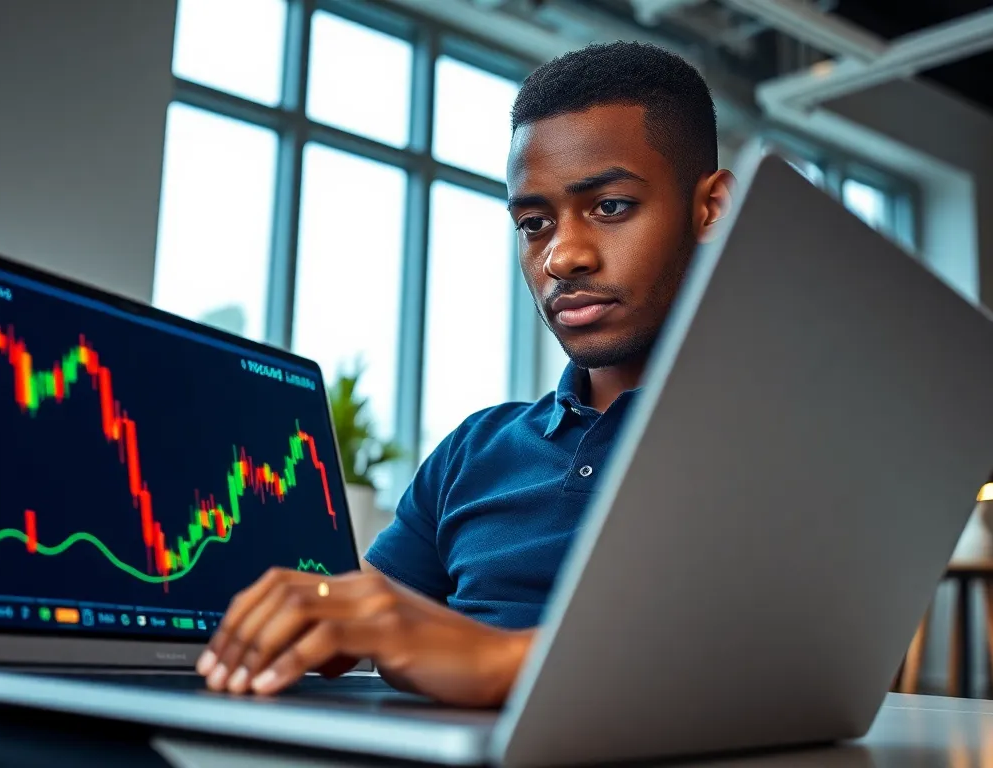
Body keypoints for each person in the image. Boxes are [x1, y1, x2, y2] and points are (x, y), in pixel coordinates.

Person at [195, 41, 736, 706]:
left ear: (710, 208)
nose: (562, 256)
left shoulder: (775, 438)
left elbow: (763, 662)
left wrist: (497, 660)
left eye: (611, 207)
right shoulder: (473, 450)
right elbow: (360, 620)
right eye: (534, 223)